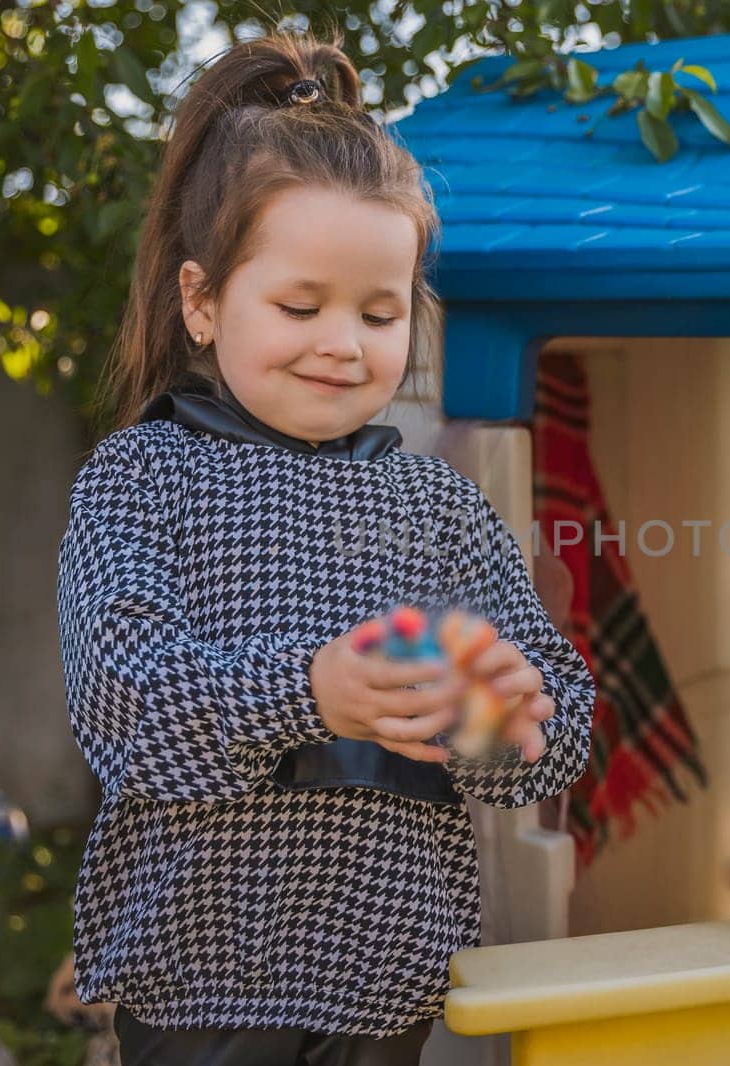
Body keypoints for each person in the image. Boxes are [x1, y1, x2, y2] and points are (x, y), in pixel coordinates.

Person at [55, 28, 597, 1066]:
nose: (343, 342)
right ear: (202, 302)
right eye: (300, 305)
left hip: (387, 982)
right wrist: (313, 692)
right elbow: (125, 707)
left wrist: (498, 712)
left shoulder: (436, 505)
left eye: (381, 313)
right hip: (202, 980)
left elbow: (558, 728)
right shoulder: (142, 477)